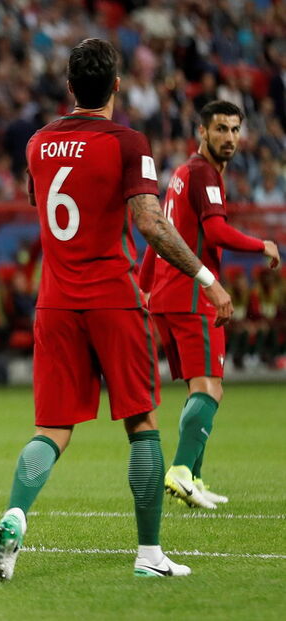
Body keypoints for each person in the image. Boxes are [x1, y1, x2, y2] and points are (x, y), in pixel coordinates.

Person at [0, 39, 234, 583]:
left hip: (54, 300)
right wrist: (206, 278)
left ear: (70, 87)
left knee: (52, 428)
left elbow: (44, 202)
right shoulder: (128, 142)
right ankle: (149, 555)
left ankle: (15, 513)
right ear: (117, 85)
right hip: (112, 297)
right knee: (142, 424)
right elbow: (150, 221)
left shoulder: (38, 142)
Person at [139, 101, 280, 509]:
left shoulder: (182, 173)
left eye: (235, 130)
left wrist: (146, 285)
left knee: (198, 388)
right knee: (211, 388)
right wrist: (262, 245)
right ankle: (181, 470)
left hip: (169, 295)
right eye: (221, 129)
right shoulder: (203, 174)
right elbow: (215, 232)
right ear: (202, 131)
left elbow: (160, 233)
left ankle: (195, 479)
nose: (230, 138)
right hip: (192, 294)